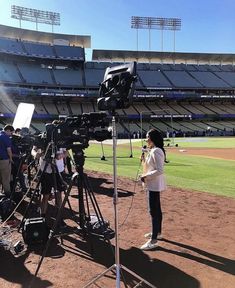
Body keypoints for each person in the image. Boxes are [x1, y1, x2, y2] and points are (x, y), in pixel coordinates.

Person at [140, 129, 167, 251]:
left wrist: (146, 176)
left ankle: (154, 239)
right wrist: (144, 155)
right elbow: (151, 163)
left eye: (147, 137)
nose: (146, 140)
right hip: (153, 184)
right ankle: (157, 232)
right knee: (157, 209)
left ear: (152, 138)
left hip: (154, 185)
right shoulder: (154, 150)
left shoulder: (157, 151)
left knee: (153, 211)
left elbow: (160, 170)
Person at [0, 125, 14, 197]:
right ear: (8, 130)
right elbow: (9, 150)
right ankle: (8, 195)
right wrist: (11, 159)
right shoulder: (5, 137)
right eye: (11, 133)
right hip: (4, 160)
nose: (11, 134)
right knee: (6, 178)